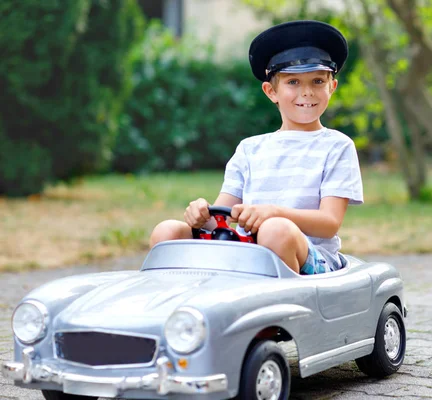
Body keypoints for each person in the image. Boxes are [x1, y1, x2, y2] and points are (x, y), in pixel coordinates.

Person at [149, 20, 363, 274]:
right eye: (293, 82)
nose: (306, 92)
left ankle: (286, 310)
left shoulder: (337, 146)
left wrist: (273, 213)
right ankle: (181, 307)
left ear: (332, 87)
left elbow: (329, 223)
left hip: (312, 258)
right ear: (271, 91)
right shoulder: (250, 149)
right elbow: (223, 217)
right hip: (246, 252)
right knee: (167, 231)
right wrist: (201, 213)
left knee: (276, 230)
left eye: (317, 81)